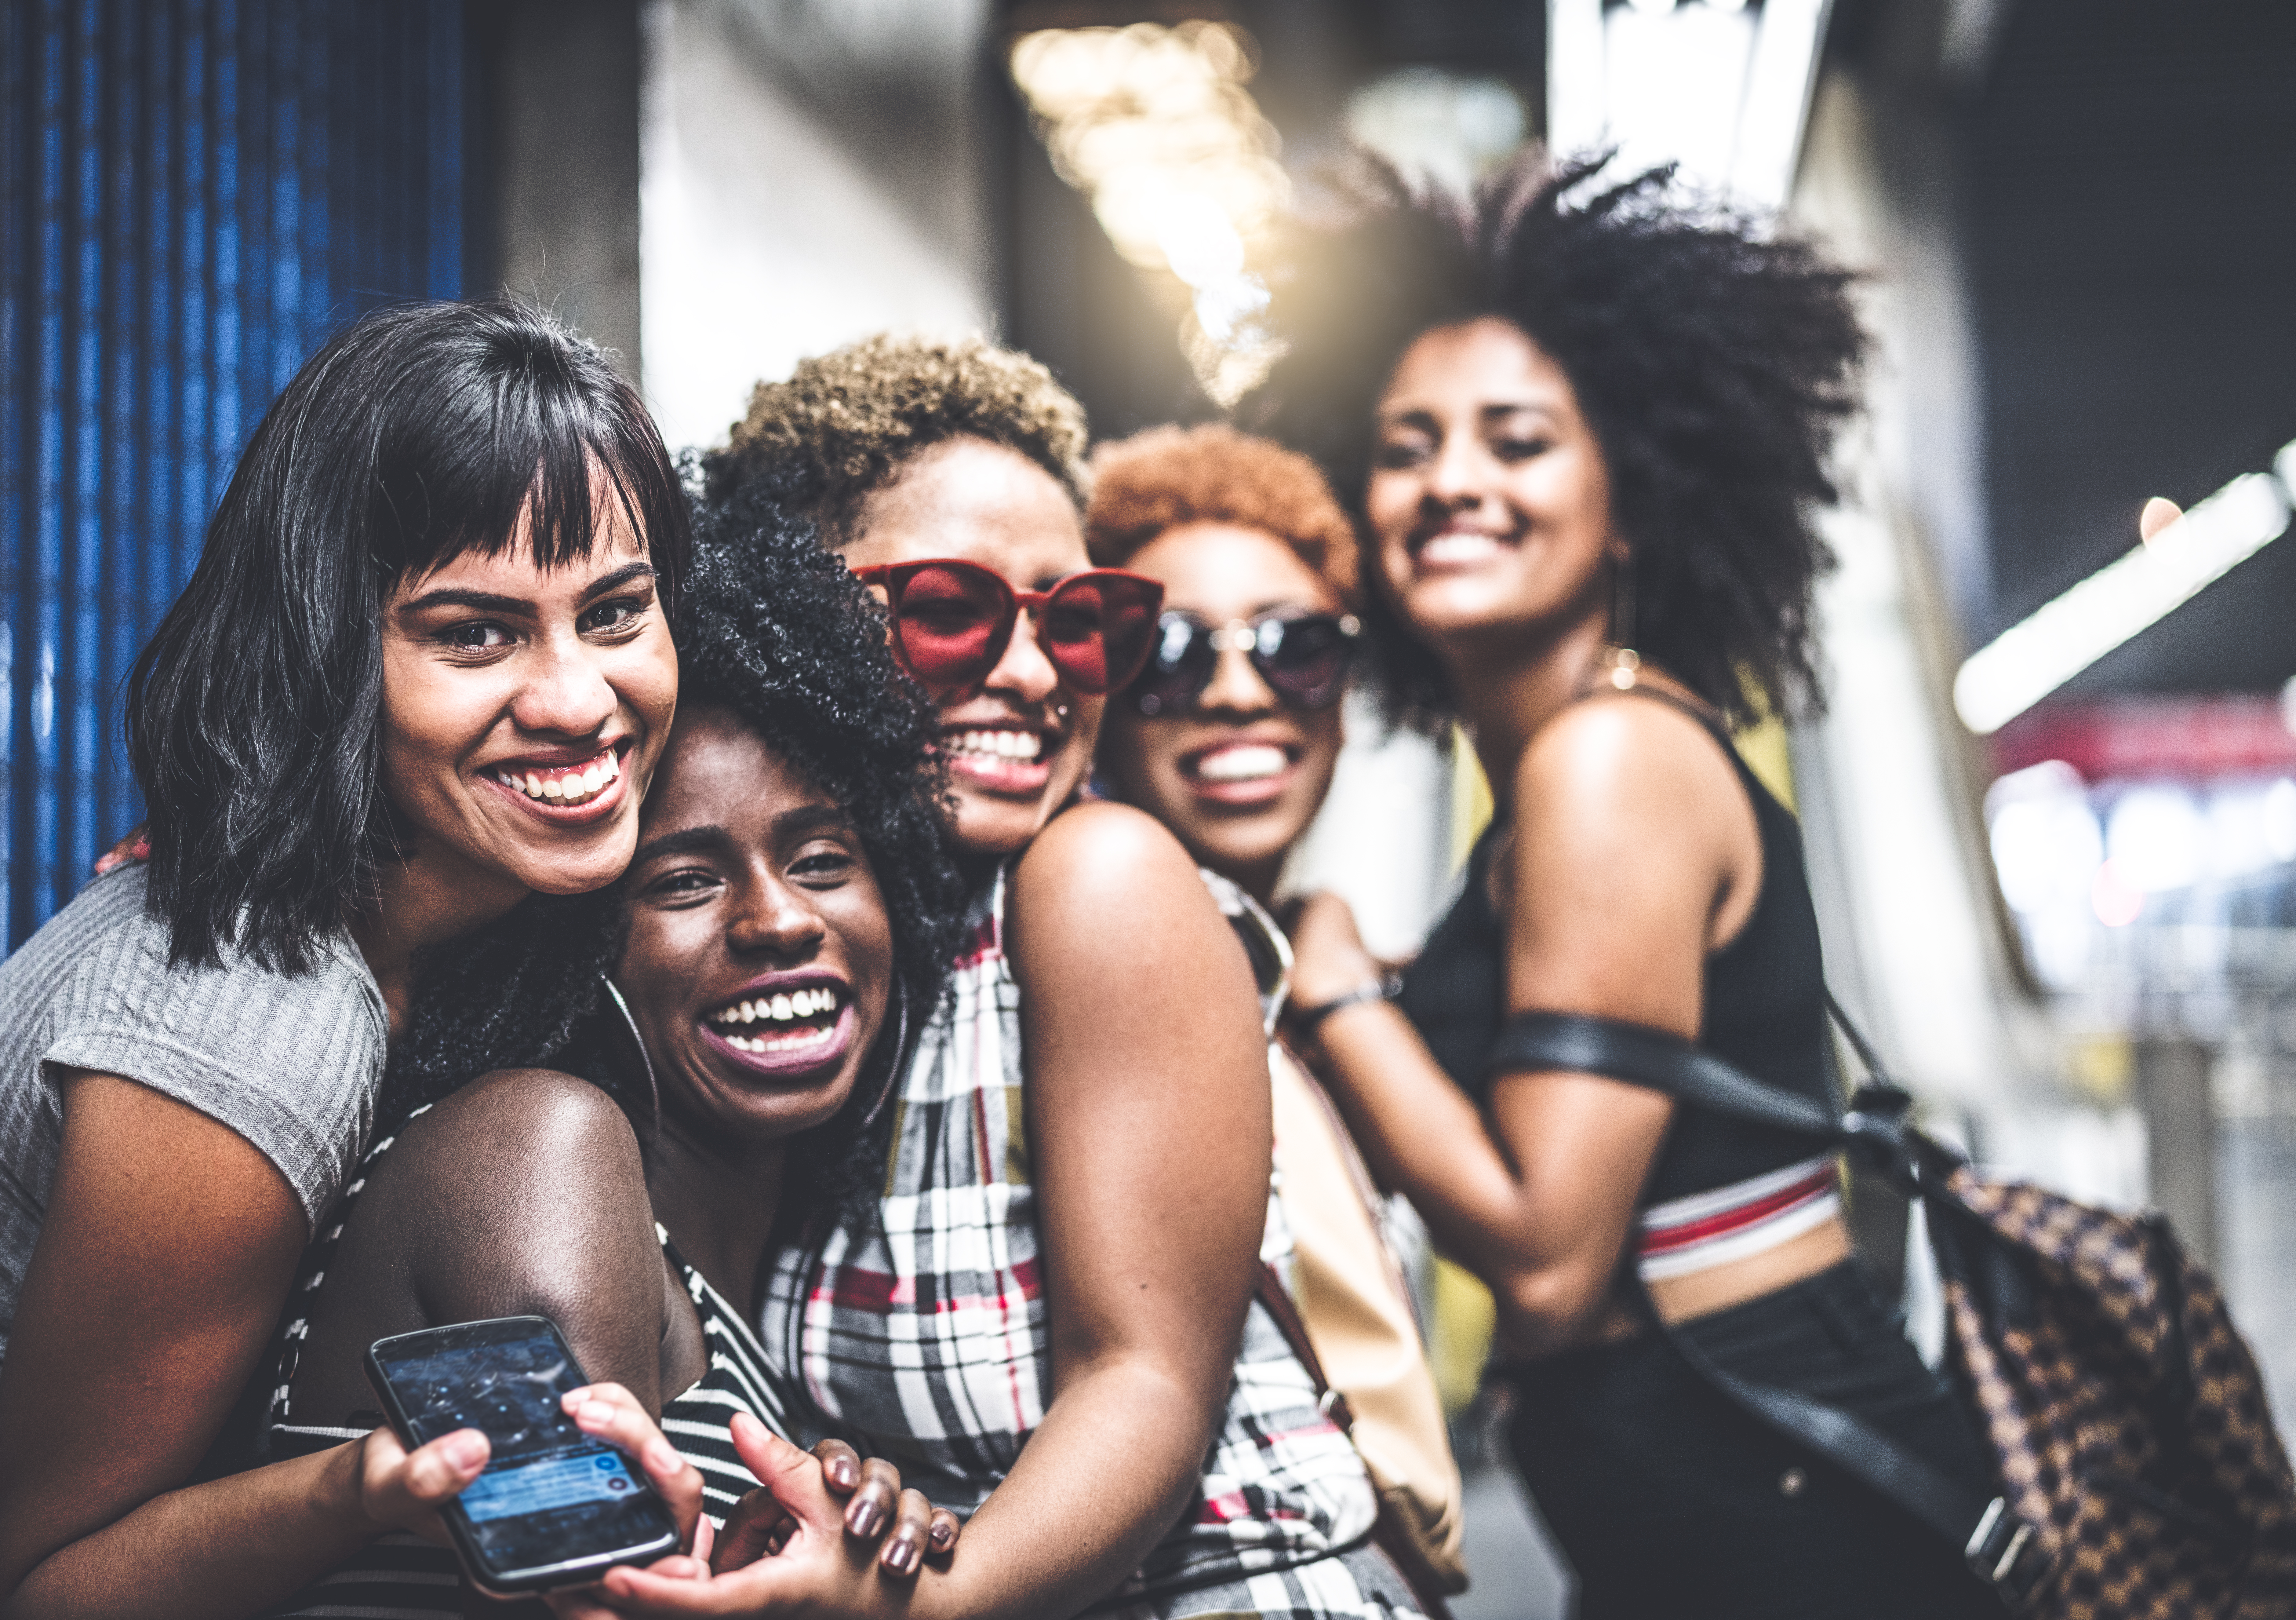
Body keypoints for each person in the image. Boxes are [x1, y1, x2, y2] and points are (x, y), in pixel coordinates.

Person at [1242, 154, 2006, 1619]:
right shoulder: (1570, 767)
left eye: (1515, 441)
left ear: (1631, 500)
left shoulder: (1606, 759)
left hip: (1783, 1509)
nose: (1450, 480)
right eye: (1405, 446)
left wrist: (1333, 987)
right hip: (1706, 1496)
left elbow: (1543, 1258)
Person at [0, 300, 693, 1620]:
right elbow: (46, 1592)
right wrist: (365, 1487)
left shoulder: (484, 920)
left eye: (615, 612)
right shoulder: (251, 1034)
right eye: (472, 634)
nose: (576, 699)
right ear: (329, 661)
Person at [570, 335, 1418, 1620]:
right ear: (790, 610)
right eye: (950, 608)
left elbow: (1145, 1385)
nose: (1030, 676)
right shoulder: (829, 945)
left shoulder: (1095, 878)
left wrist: (902, 1605)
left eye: (1078, 621)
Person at [261, 508, 973, 1617]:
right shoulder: (538, 1157)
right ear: (569, 945)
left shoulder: (736, 1310)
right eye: (685, 882)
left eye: (825, 857)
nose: (780, 920)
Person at [1083, 423, 1465, 1598]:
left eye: (1297, 648)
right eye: (1173, 652)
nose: (1242, 693)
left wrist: (1342, 985)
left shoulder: (1331, 991)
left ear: (1343, 701)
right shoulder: (1071, 987)